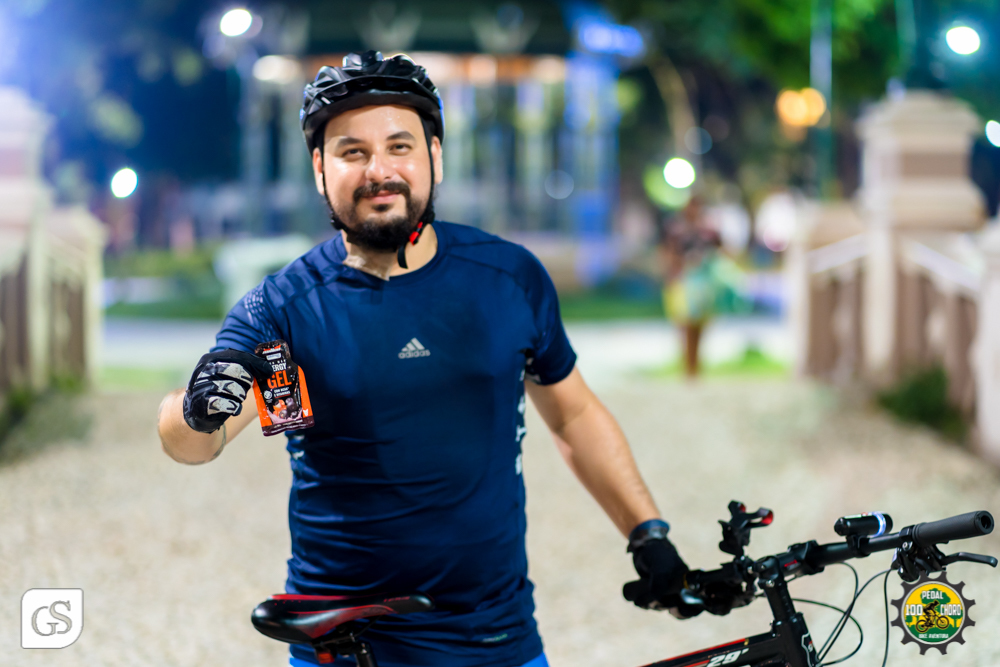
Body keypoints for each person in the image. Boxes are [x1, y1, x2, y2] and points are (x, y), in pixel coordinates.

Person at [157, 51, 692, 667]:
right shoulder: (284, 311)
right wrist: (195, 410)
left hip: (497, 641)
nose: (378, 170)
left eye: (399, 146)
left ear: (434, 156)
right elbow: (196, 442)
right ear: (319, 168)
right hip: (346, 646)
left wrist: (647, 533)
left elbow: (571, 415)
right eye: (352, 151)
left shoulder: (508, 278)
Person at [660, 196, 724, 379]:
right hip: (683, 282)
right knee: (684, 326)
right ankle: (688, 369)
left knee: (700, 327)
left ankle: (695, 368)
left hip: (704, 284)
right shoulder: (676, 228)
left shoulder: (708, 229)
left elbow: (720, 250)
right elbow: (668, 252)